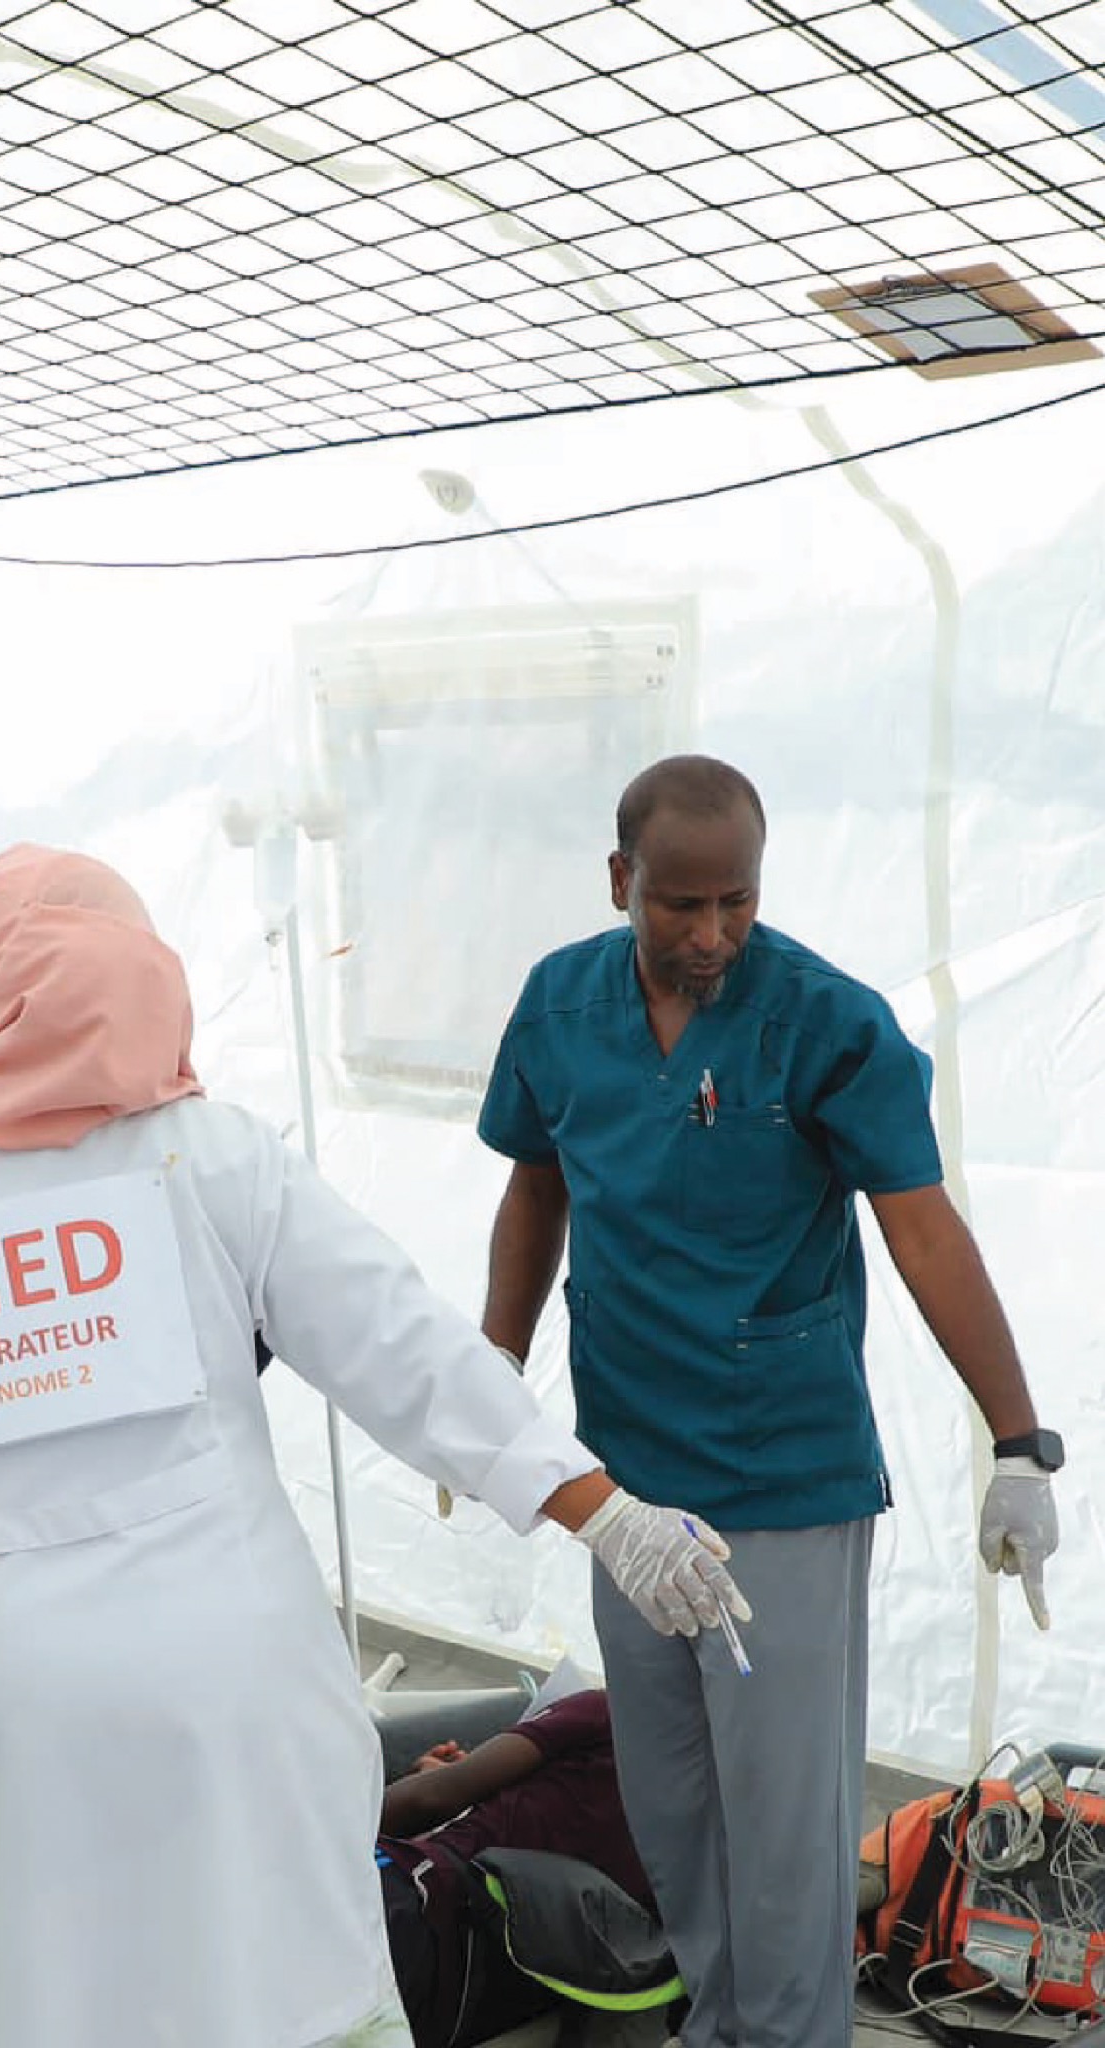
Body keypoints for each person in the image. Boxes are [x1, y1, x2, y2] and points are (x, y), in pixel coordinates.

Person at [0, 843, 749, 2048]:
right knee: (284, 1986)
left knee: (51, 1995)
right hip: (233, 1686)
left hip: (7, 1716)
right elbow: (404, 1349)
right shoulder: (210, 1160)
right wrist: (600, 1509)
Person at [476, 755, 1062, 2048]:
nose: (711, 935)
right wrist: (487, 1385)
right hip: (623, 1487)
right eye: (679, 905)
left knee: (785, 1829)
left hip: (781, 1477)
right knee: (672, 1808)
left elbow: (923, 1234)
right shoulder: (559, 1008)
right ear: (619, 881)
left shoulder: (823, 1022)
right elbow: (534, 1194)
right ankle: (721, 2028)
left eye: (736, 902)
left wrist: (1018, 1445)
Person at [378, 1686, 654, 2048]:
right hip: (483, 1995)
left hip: (419, 1908)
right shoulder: (732, 1848)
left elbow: (431, 1799)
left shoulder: (613, 1713)